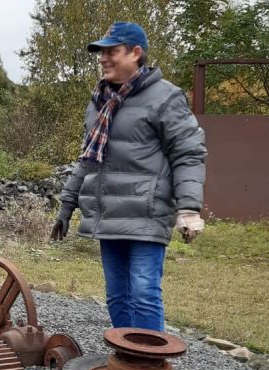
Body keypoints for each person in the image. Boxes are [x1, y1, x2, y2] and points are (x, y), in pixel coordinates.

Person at [50, 22, 206, 332]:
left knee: (144, 293)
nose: (104, 58)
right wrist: (66, 206)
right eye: (102, 52)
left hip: (146, 214)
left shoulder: (165, 97)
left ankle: (149, 366)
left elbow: (189, 153)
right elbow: (88, 159)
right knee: (117, 296)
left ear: (136, 53)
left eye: (112, 51)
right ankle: (127, 358)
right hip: (108, 215)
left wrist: (189, 209)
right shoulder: (99, 101)